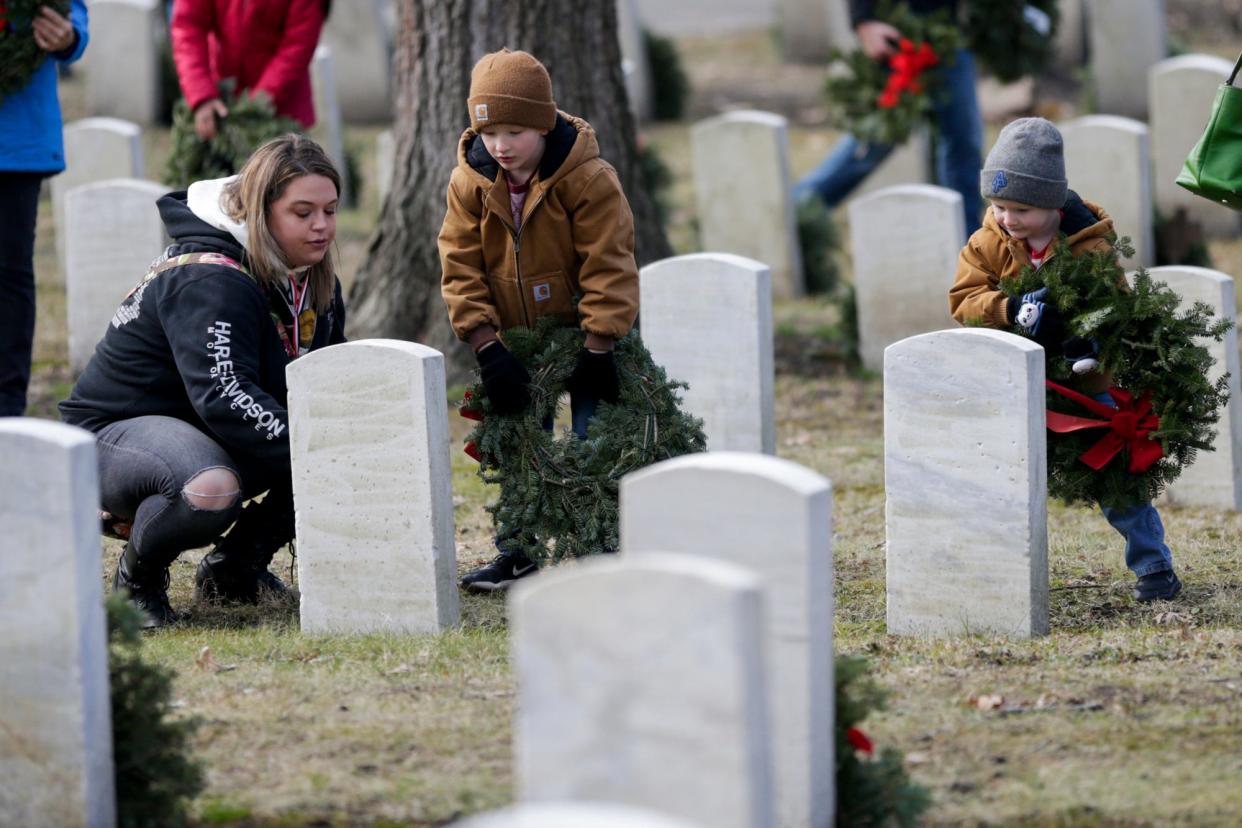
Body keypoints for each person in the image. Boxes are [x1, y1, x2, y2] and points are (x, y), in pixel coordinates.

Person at [60, 135, 347, 627]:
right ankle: (137, 582)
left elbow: (324, 376)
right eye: (303, 213)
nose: (321, 226)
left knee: (335, 441)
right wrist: (313, 446)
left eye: (331, 210)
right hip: (117, 437)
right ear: (261, 212)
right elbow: (224, 394)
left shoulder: (309, 275)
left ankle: (234, 567)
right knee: (212, 486)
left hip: (200, 428)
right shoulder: (210, 279)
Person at [949, 117, 1182, 603]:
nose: (1008, 219)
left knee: (1113, 469)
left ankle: (1153, 564)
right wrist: (1011, 308)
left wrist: (1085, 332)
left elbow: (1114, 304)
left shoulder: (1090, 244)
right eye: (998, 206)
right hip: (1012, 374)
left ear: (1055, 204)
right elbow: (964, 299)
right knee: (992, 470)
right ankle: (986, 567)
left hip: (1083, 380)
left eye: (1022, 209)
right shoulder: (986, 243)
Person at [438, 48, 639, 592]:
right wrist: (487, 346)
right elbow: (459, 265)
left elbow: (609, 264)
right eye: (490, 132)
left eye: (516, 132)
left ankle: (604, 547)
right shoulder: (470, 185)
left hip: (586, 332)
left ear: (544, 125)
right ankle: (518, 551)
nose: (501, 146)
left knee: (594, 437)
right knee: (519, 441)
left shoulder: (588, 179)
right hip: (514, 339)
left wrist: (598, 348)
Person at [794, 0, 982, 237]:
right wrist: (863, 20)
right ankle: (796, 212)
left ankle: (970, 247)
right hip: (893, 36)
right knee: (869, 149)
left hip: (950, 34)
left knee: (964, 144)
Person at [0, 2, 89, 417]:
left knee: (9, 272)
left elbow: (71, 11)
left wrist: (70, 36)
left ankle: (7, 406)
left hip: (15, 132)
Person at [170, 0, 326, 141]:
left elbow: (297, 44)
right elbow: (188, 26)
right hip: (219, 100)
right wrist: (202, 94)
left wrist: (259, 101)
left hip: (283, 108)